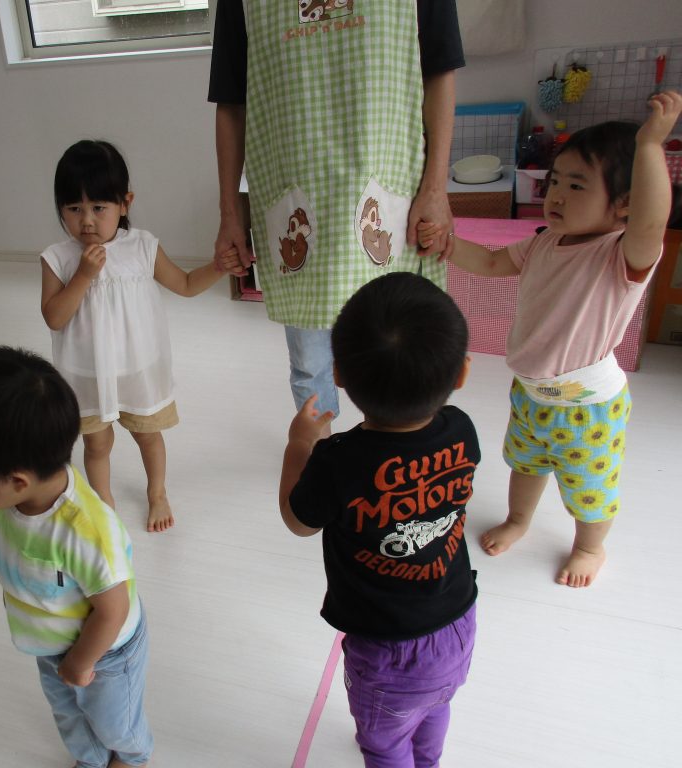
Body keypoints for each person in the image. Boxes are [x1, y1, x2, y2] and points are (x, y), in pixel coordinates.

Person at [417, 91, 682, 588]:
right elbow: (491, 262)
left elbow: (652, 221)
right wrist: (446, 246)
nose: (556, 195)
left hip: (588, 408)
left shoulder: (621, 256)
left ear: (624, 205)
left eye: (577, 185)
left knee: (590, 489)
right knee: (526, 465)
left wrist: (651, 147)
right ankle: (519, 520)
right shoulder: (543, 242)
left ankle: (590, 546)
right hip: (530, 394)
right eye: (555, 181)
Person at [208, 0, 465, 435]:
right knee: (310, 363)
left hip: (388, 188)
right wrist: (230, 212)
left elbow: (438, 70)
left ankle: (395, 453)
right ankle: (322, 454)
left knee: (398, 346)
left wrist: (437, 190)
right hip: (296, 193)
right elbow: (232, 103)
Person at [279, 272, 479, 768]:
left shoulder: (337, 460)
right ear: (461, 374)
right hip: (458, 622)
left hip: (386, 651)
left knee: (384, 745)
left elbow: (299, 522)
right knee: (436, 705)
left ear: (338, 374)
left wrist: (300, 445)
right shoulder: (462, 429)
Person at [0, 345, 153, 768]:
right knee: (69, 716)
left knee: (114, 721)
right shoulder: (15, 500)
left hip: (105, 652)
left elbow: (113, 609)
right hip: (49, 644)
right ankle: (91, 759)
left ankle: (132, 757)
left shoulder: (86, 531)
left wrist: (82, 662)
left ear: (16, 480)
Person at [41, 139, 239, 532]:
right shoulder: (58, 258)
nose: (87, 221)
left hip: (137, 368)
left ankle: (157, 493)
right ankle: (103, 502)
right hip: (86, 373)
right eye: (74, 209)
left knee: (148, 436)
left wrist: (217, 268)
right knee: (97, 443)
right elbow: (55, 317)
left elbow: (184, 284)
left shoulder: (142, 247)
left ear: (125, 203)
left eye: (99, 208)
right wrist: (83, 276)